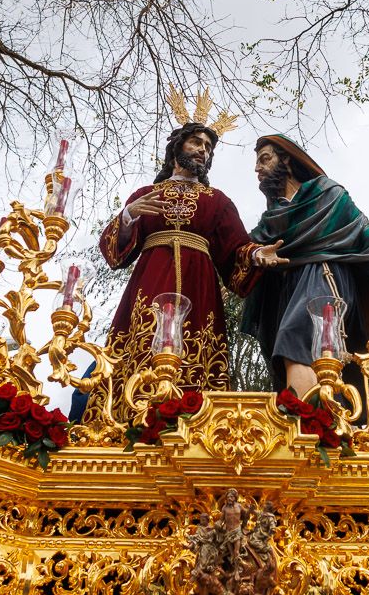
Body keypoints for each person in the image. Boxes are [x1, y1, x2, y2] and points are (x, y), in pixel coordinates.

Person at [85, 99, 284, 421]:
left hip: (199, 287)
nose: (203, 150)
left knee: (197, 353)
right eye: (196, 142)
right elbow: (114, 251)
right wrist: (128, 217)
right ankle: (126, 420)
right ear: (178, 147)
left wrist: (259, 254)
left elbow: (236, 248)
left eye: (208, 146)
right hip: (149, 283)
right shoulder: (145, 194)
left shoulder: (217, 201)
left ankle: (197, 423)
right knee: (142, 344)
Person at [241, 135, 369, 398]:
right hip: (287, 291)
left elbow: (367, 236)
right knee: (292, 350)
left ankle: (306, 425)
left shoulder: (327, 194)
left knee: (297, 337)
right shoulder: (271, 220)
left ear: (287, 159)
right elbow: (245, 252)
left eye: (265, 159)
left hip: (324, 277)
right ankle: (317, 422)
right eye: (257, 164)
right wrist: (256, 256)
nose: (258, 169)